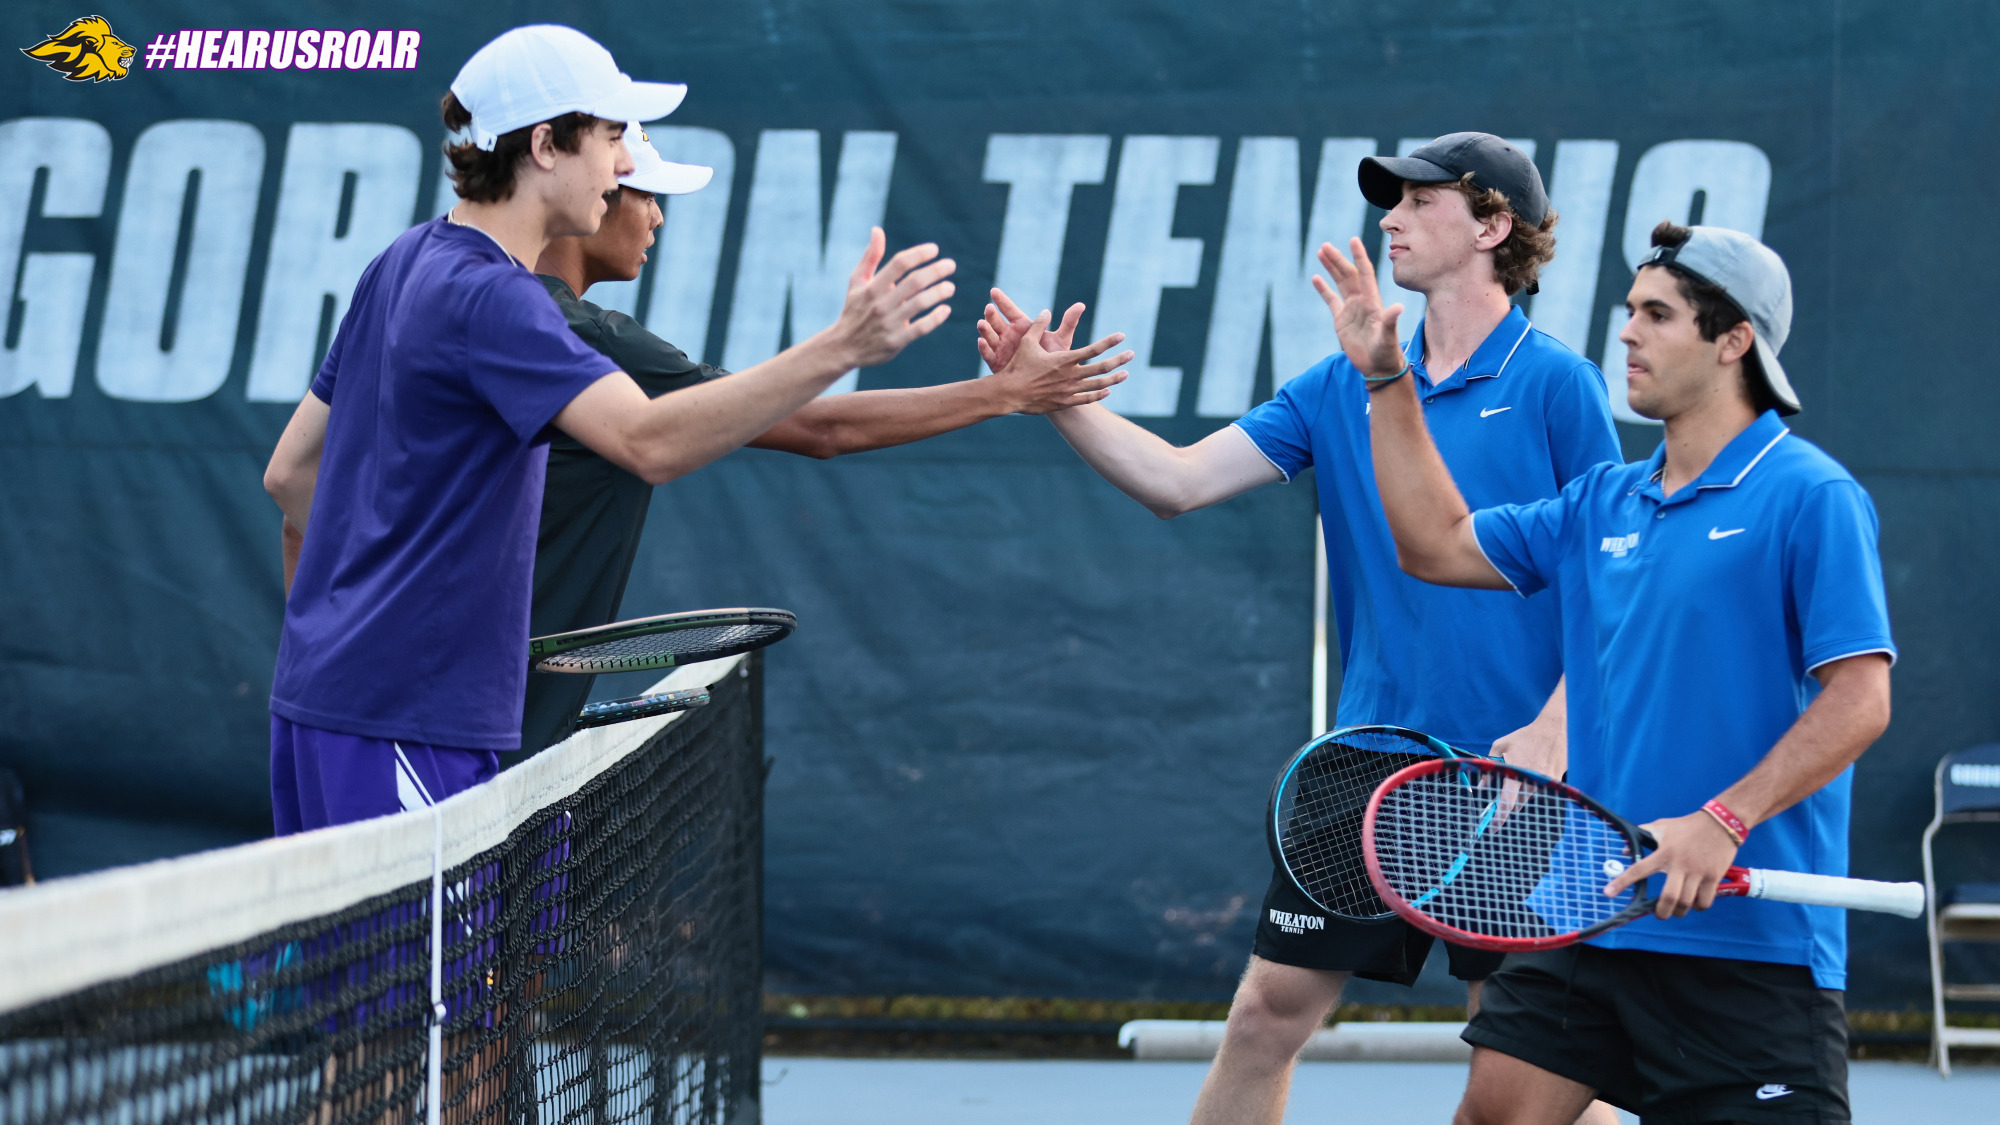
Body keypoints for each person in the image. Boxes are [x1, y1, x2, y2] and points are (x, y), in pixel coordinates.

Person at [259, 24, 1124, 833]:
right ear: (546, 145)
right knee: (427, 998)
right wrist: (841, 345)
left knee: (357, 993)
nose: (623, 160)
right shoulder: (501, 299)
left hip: (333, 705)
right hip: (413, 716)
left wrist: (336, 635)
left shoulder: (405, 259)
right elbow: (649, 442)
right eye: (609, 137)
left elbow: (293, 474)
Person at [979, 133, 1621, 1125]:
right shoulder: (1335, 387)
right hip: (1370, 763)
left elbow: (1611, 583)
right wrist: (1055, 400)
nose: (1390, 218)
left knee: (1524, 1061)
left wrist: (1555, 728)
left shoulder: (1557, 388)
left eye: (1418, 201)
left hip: (1515, 771)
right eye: (1387, 202)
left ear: (1493, 225)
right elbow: (1179, 482)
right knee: (1262, 1017)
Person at [1338, 220, 1893, 1123]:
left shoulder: (1810, 496)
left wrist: (1721, 822)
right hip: (1587, 911)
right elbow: (1433, 543)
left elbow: (1862, 699)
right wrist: (1387, 379)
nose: (1626, 332)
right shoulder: (1604, 500)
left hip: (1746, 942)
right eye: (1629, 310)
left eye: (1657, 315)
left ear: (1733, 342)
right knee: (1492, 1116)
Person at [518, 123, 1132, 754]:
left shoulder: (515, 306)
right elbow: (820, 427)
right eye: (646, 196)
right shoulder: (577, 332)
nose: (657, 219)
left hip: (501, 712)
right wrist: (1004, 394)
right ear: (591, 195)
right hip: (473, 722)